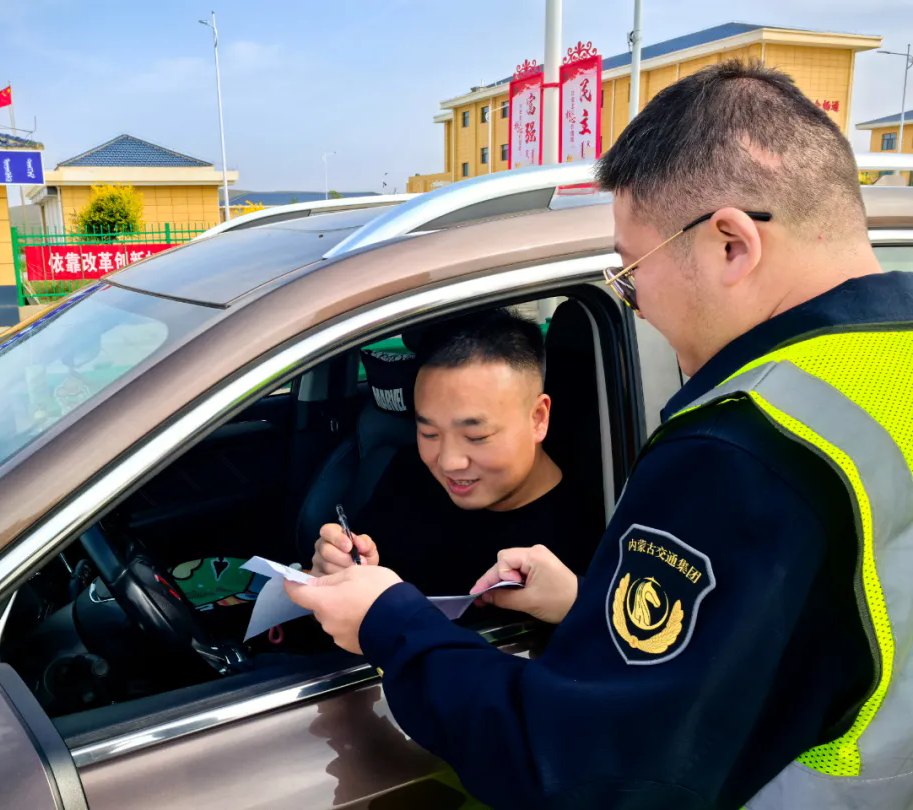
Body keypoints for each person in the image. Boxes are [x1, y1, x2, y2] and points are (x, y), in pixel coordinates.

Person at [286, 60, 913, 809]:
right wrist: (584, 605)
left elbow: (580, 776)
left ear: (730, 246)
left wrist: (389, 621)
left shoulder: (749, 445)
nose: (636, 304)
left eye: (630, 271)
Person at [311, 308, 601, 596]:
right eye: (429, 433)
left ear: (538, 418)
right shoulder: (411, 472)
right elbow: (346, 574)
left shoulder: (585, 543)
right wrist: (333, 569)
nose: (449, 462)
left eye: (476, 436)